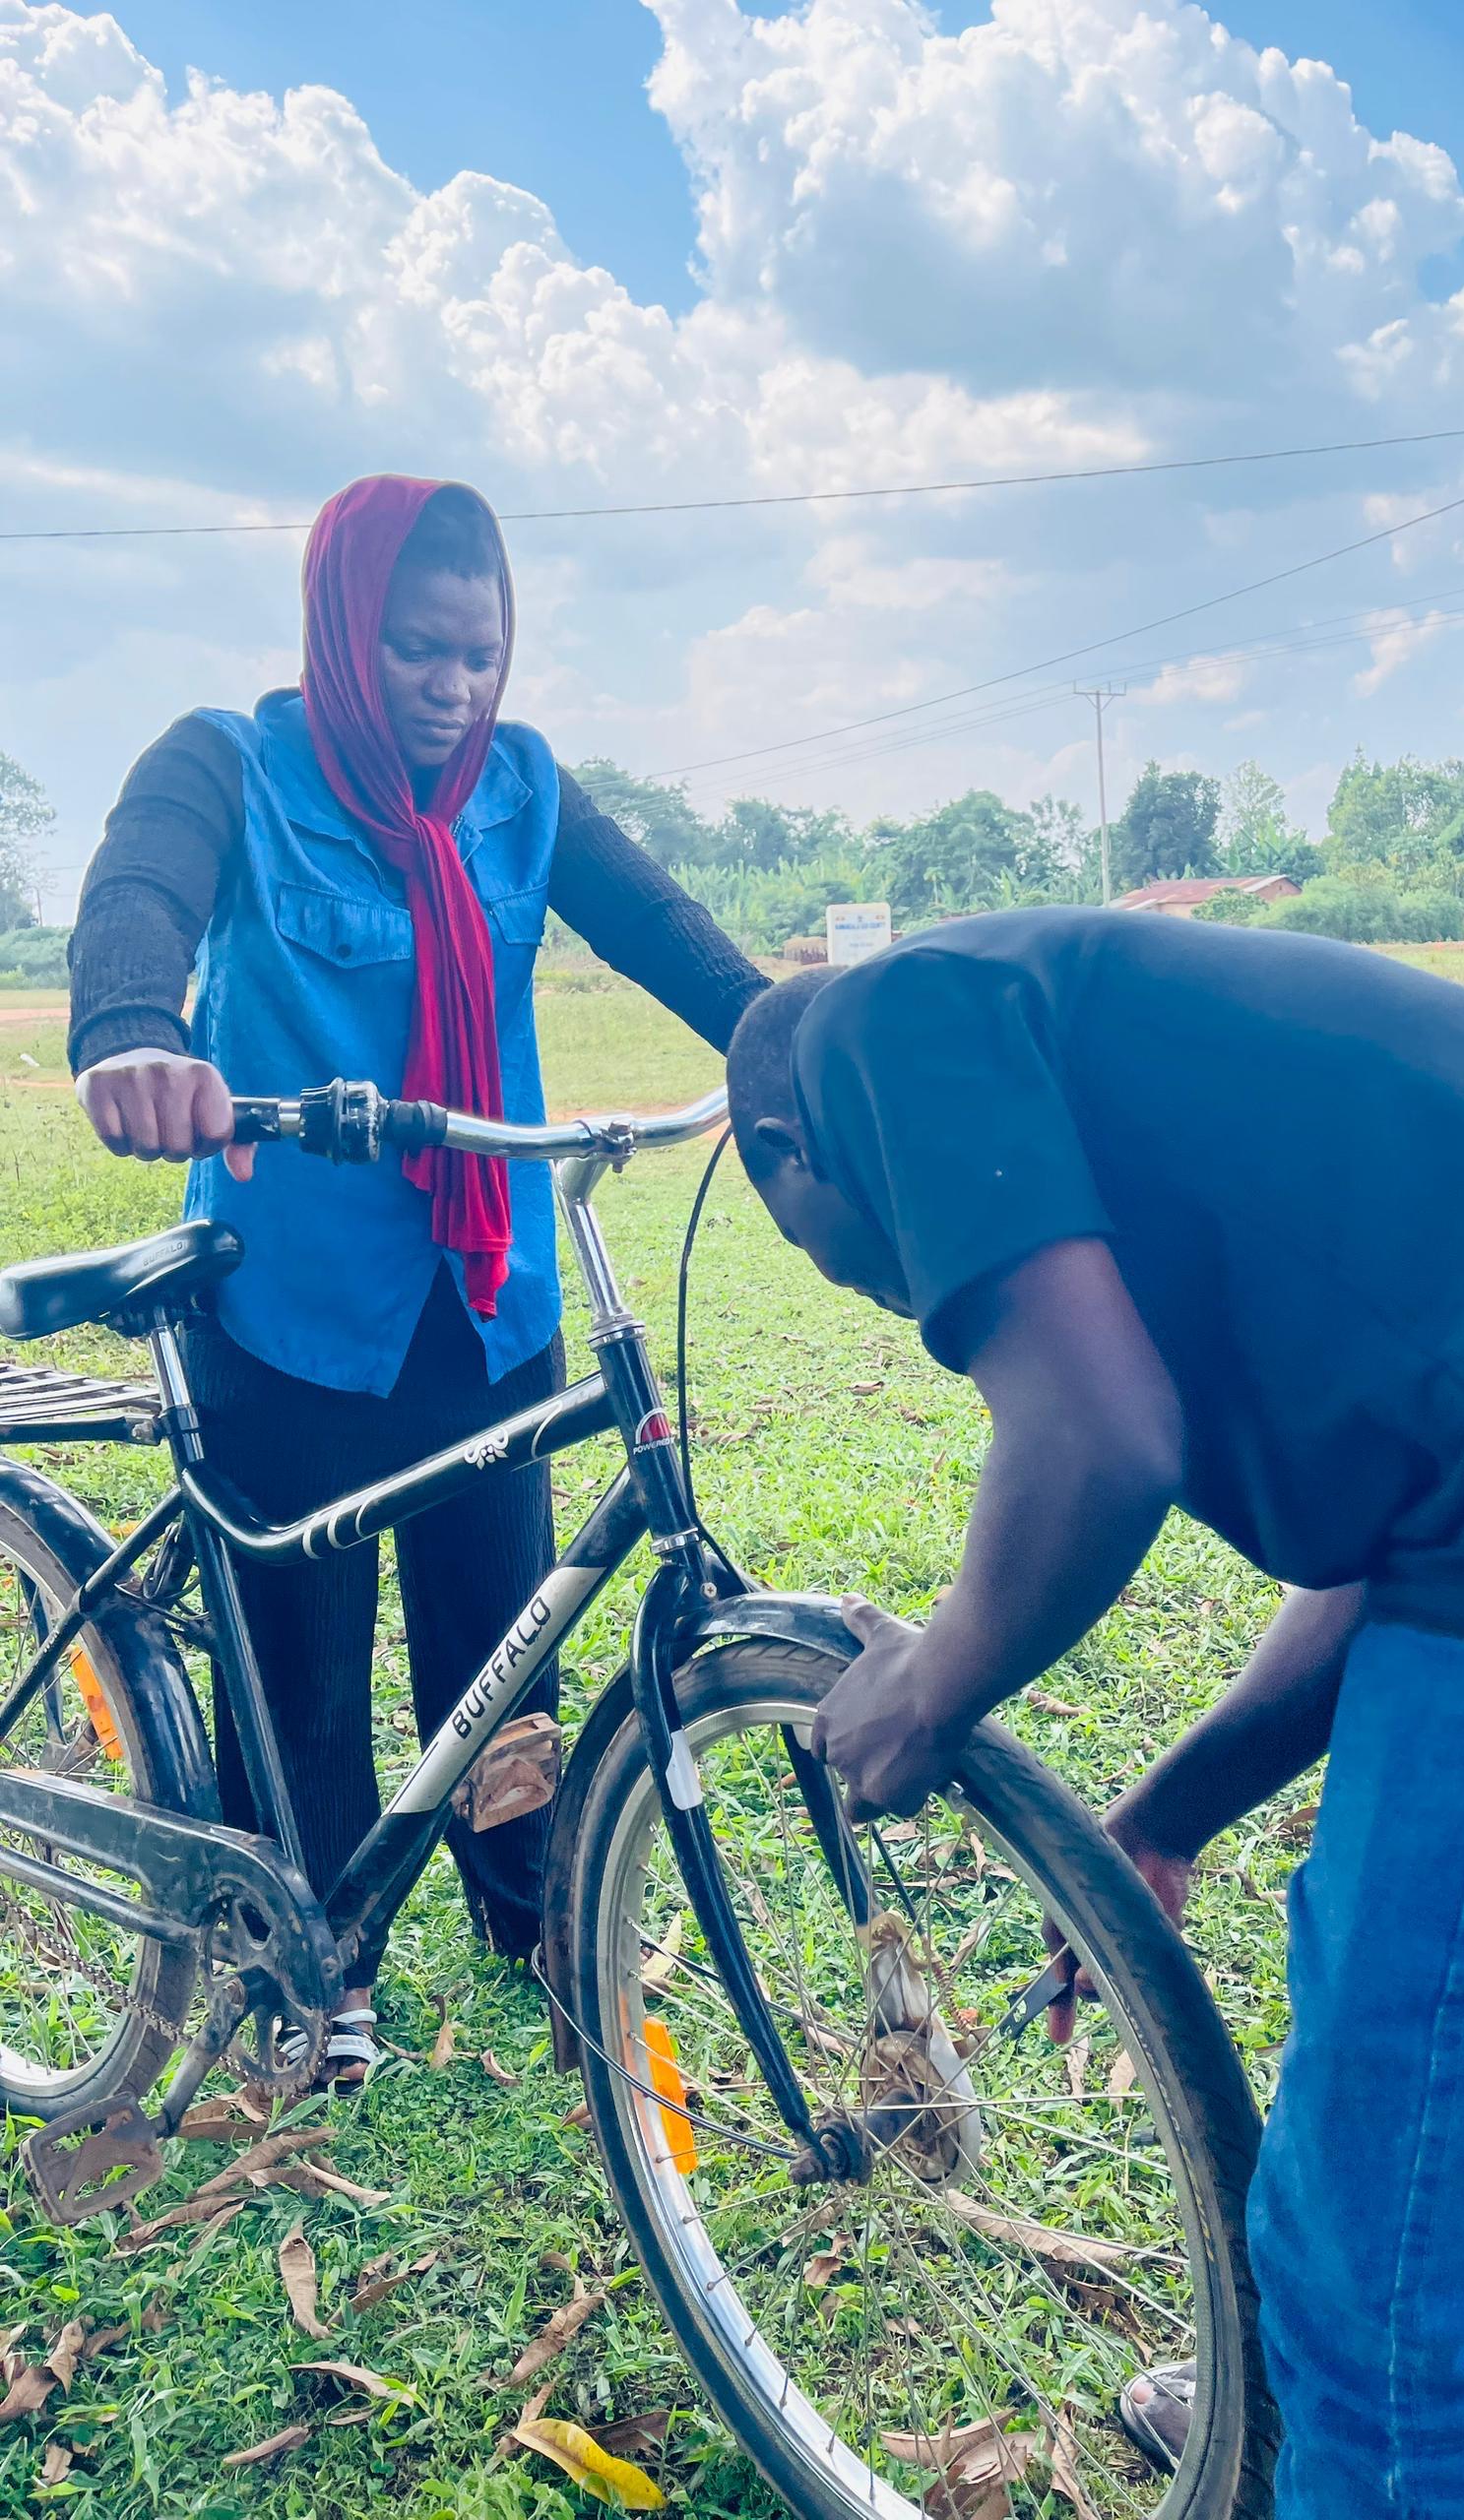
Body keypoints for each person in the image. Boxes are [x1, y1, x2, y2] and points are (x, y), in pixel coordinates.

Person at [723, 906, 1464, 2520]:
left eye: (822, 1249)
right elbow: (1386, 1555)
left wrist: (933, 1683)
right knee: (1378, 2136)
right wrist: (1169, 1814)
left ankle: (1366, 2395)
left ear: (790, 1150)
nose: (892, 1301)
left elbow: (1098, 1438)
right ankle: (1343, 2390)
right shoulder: (1117, 1074)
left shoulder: (880, 1025)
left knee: (1393, 2274)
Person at [68, 474, 765, 2086]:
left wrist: (795, 1039)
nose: (451, 690)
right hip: (292, 1302)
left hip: (487, 1286)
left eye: (478, 651)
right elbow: (139, 894)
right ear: (340, 626)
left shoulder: (521, 790)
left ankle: (528, 1917)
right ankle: (311, 1971)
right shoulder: (228, 763)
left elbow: (668, 933)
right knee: (302, 1662)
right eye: (413, 649)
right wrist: (132, 1035)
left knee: (502, 1636)